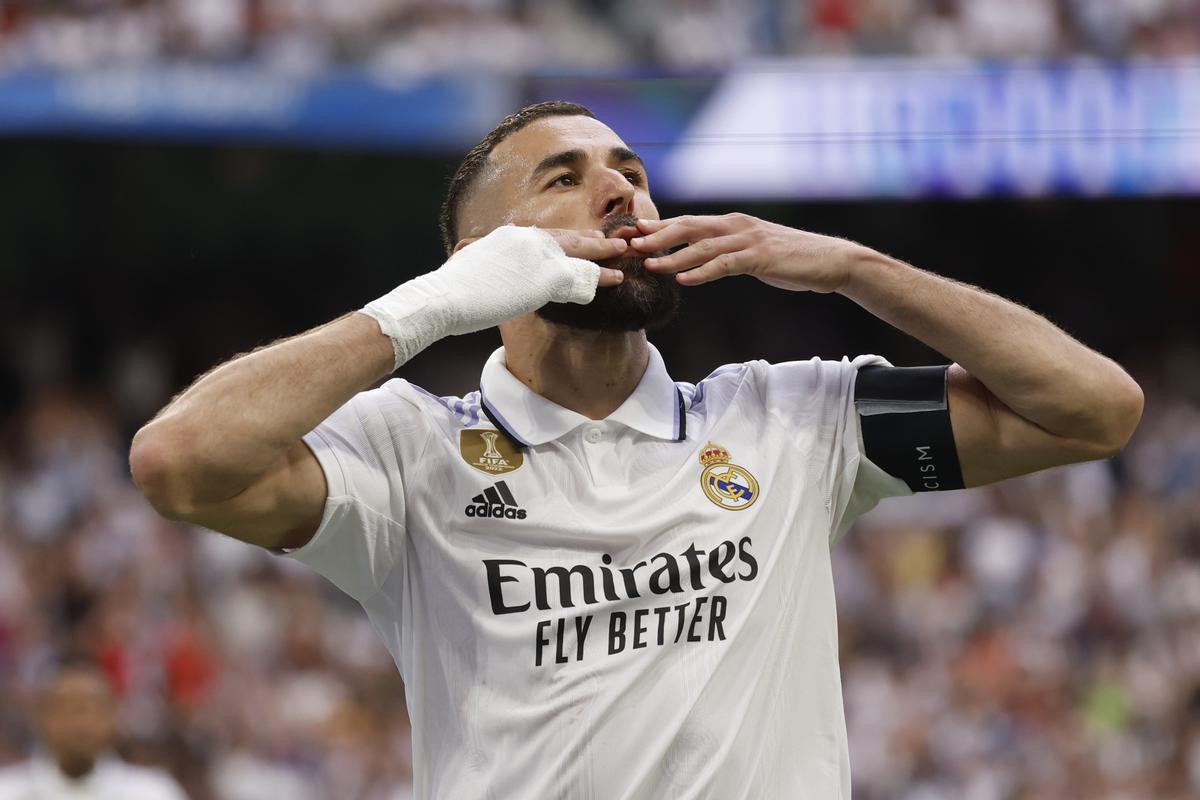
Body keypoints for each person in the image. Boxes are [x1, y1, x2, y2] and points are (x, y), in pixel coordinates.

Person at [127, 101, 1144, 798]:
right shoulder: (409, 452)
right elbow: (179, 460)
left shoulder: (791, 420)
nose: (623, 195)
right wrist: (430, 307)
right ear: (484, 256)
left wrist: (849, 267)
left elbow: (1093, 410)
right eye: (566, 180)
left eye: (633, 175)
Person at [0, 659, 188, 800]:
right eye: (66, 709)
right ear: (41, 718)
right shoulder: (7, 791)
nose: (80, 723)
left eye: (94, 709)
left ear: (114, 719)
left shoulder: (153, 792)